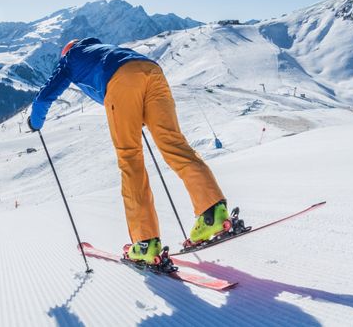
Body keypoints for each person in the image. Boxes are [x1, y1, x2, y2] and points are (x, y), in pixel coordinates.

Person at [27, 37, 234, 264]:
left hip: (121, 81)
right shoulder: (106, 48)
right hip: (152, 71)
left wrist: (35, 122)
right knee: (175, 144)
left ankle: (145, 243)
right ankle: (212, 212)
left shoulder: (70, 58)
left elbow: (45, 96)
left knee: (130, 158)